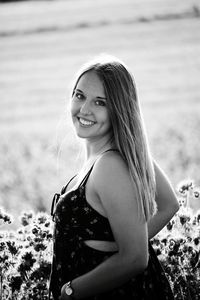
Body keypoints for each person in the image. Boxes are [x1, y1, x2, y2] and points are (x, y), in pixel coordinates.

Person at [49, 54, 179, 300]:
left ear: (119, 109)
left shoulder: (109, 165)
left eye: (100, 102)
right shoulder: (114, 155)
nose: (84, 109)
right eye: (79, 95)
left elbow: (136, 258)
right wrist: (120, 246)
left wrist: (71, 291)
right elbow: (169, 203)